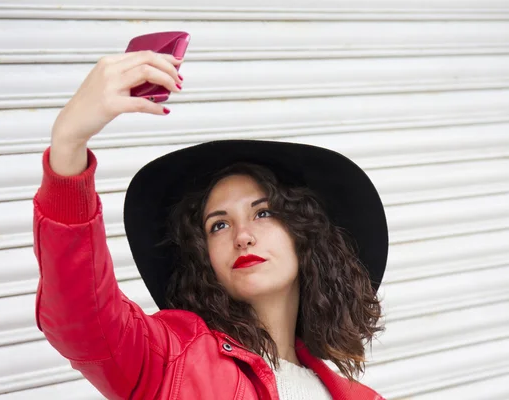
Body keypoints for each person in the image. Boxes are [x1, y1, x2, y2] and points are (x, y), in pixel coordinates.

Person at [33, 49, 389, 400]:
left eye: (263, 213)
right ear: (203, 257)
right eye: (218, 225)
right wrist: (68, 143)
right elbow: (83, 319)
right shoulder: (171, 358)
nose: (242, 236)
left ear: (305, 234)